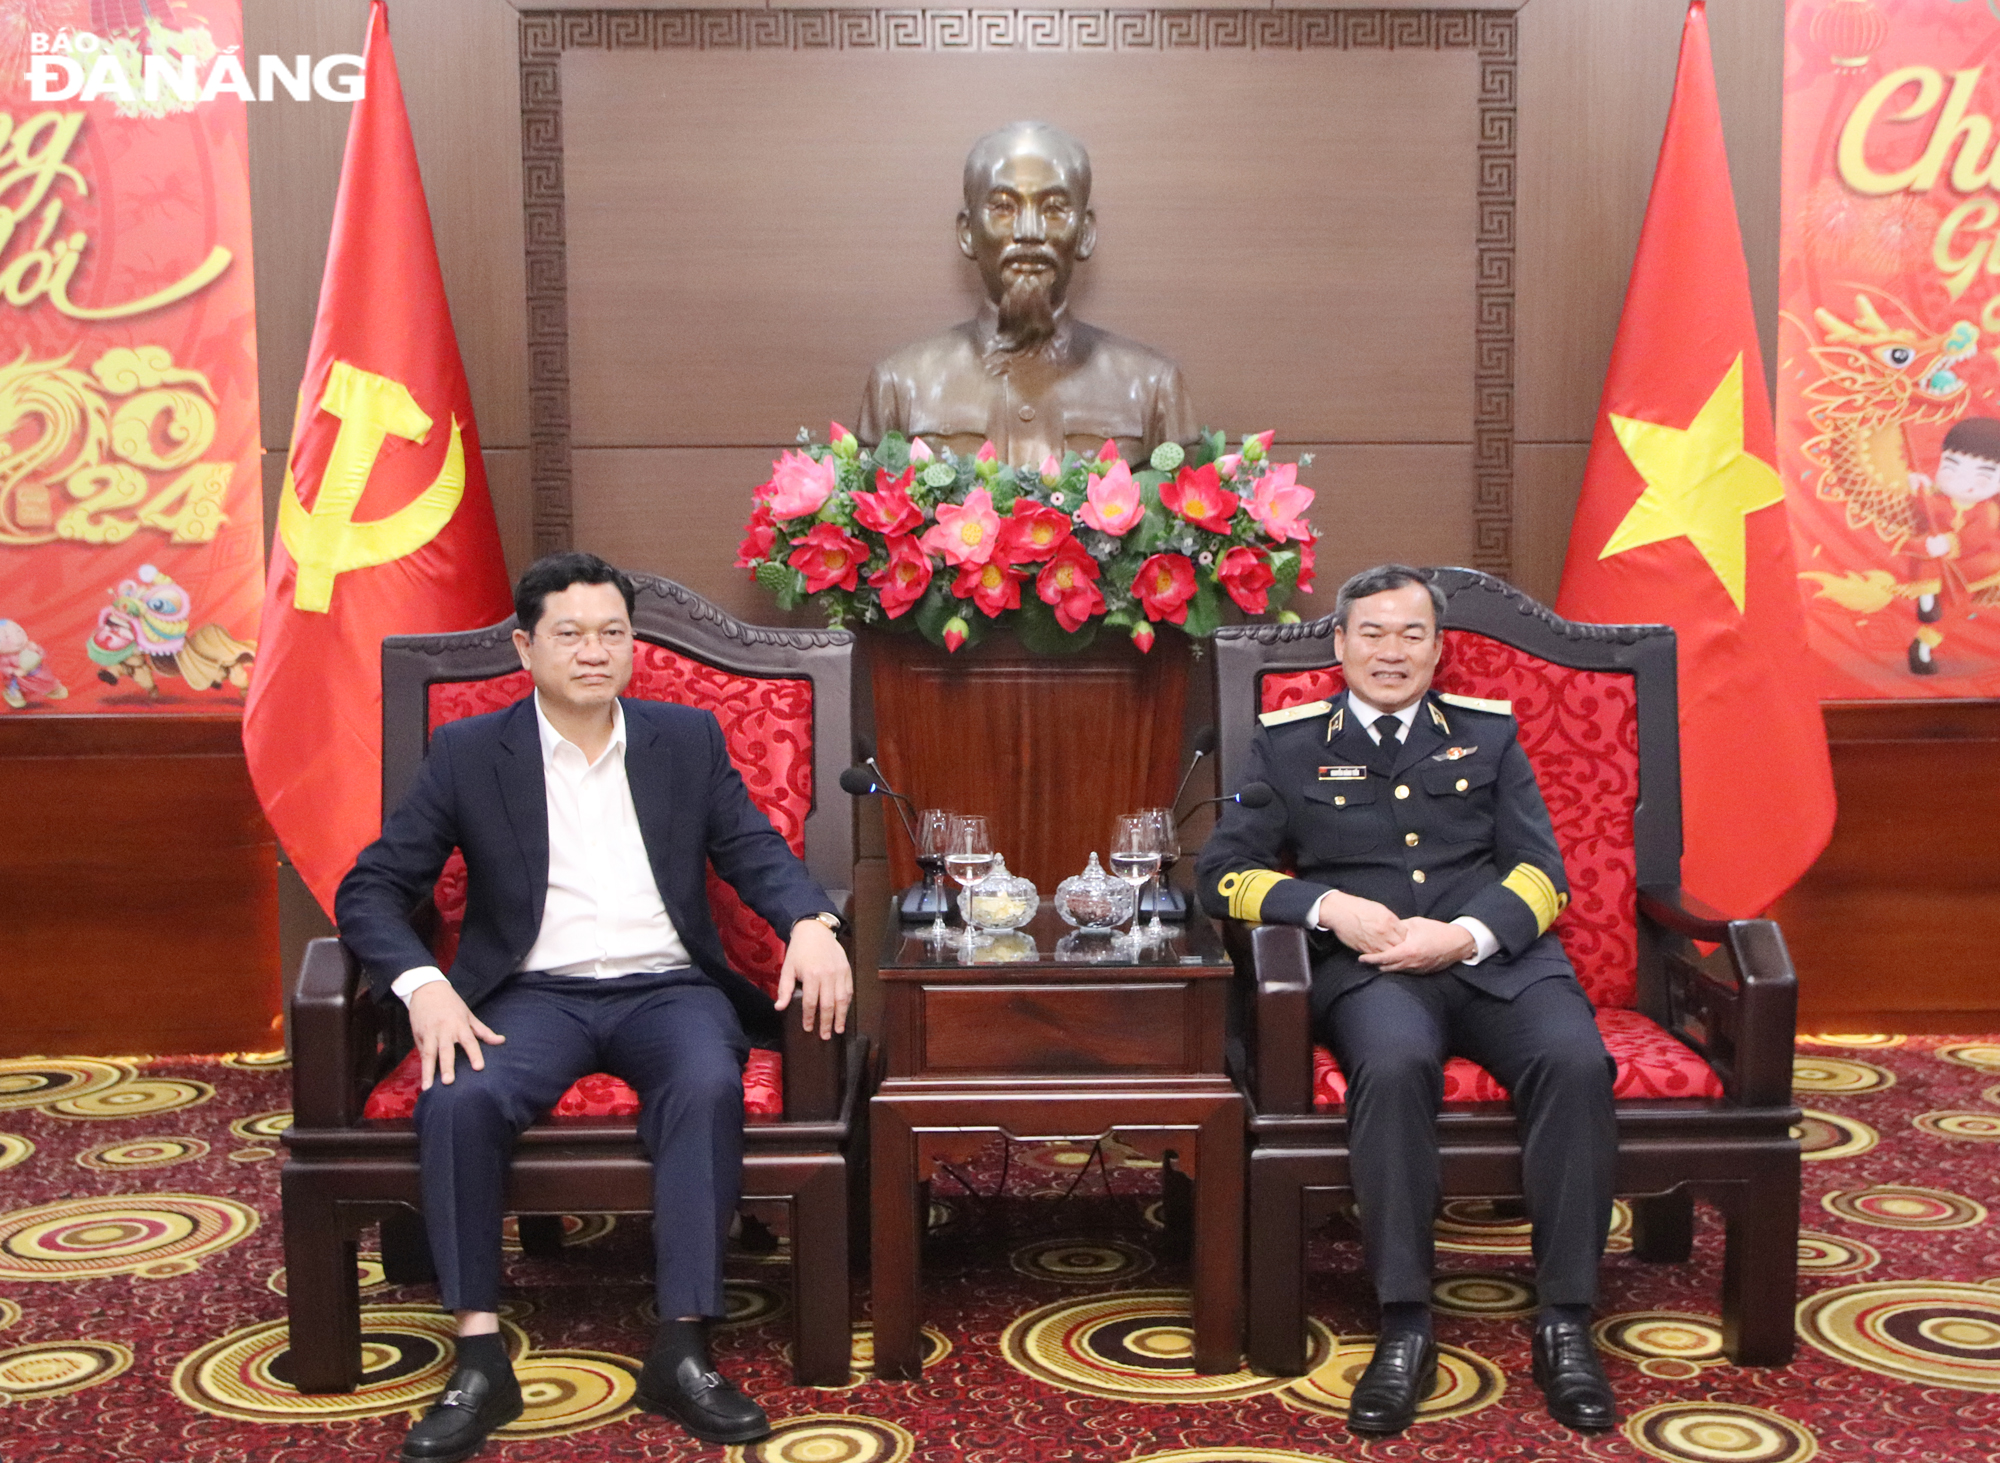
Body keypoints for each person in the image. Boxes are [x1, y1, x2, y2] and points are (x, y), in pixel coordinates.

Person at [336, 552, 853, 1462]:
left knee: (704, 1083)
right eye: (569, 634)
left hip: (668, 988)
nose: (594, 651)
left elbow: (753, 851)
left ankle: (684, 1347)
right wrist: (424, 984)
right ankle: (479, 1355)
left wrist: (811, 919)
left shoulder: (683, 740)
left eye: (611, 633)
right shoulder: (469, 754)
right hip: (532, 995)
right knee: (458, 1096)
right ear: (524, 646)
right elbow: (372, 888)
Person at [1195, 564, 1618, 1436]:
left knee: (1577, 1062)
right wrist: (1326, 906)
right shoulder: (1288, 743)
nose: (1393, 652)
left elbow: (1544, 872)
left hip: (1498, 961)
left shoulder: (1488, 738)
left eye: (1412, 635)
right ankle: (1405, 1321)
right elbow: (1222, 876)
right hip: (1374, 969)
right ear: (1341, 643)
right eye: (1374, 634)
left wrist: (1464, 935)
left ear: (1437, 648)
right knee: (1393, 1065)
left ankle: (1566, 1319)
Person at [857, 120, 1196, 468]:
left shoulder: (1153, 387)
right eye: (1003, 207)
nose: (1029, 232)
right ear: (967, 233)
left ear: (1085, 233)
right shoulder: (899, 386)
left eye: (1053, 209)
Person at [1905, 416, 2000, 675]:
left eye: (1981, 475)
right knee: (1925, 549)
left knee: (1956, 606)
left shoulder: (1988, 511)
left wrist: (1950, 543)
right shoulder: (1943, 500)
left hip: (1972, 566)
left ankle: (1924, 644)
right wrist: (1918, 490)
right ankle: (1927, 599)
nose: (1962, 481)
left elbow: (1978, 536)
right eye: (1951, 467)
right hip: (1937, 560)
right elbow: (1927, 508)